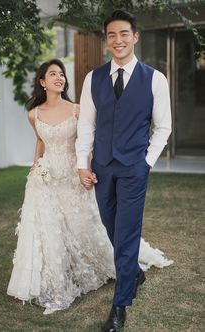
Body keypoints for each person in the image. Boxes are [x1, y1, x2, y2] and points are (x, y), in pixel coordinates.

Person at [7, 59, 173, 316]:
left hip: (78, 174)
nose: (59, 78)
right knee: (54, 228)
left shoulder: (76, 109)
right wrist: (35, 163)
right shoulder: (34, 113)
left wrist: (88, 165)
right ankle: (62, 275)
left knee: (88, 225)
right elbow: (40, 140)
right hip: (49, 177)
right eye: (53, 74)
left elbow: (89, 134)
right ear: (43, 82)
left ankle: (124, 281)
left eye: (62, 74)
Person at [76, 10, 172, 332]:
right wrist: (82, 164)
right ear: (106, 41)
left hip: (134, 168)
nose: (118, 40)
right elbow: (86, 125)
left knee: (127, 229)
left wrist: (146, 162)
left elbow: (163, 127)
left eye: (124, 34)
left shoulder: (155, 79)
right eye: (112, 35)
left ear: (135, 37)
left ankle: (120, 304)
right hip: (102, 166)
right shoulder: (93, 78)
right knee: (110, 224)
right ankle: (135, 271)